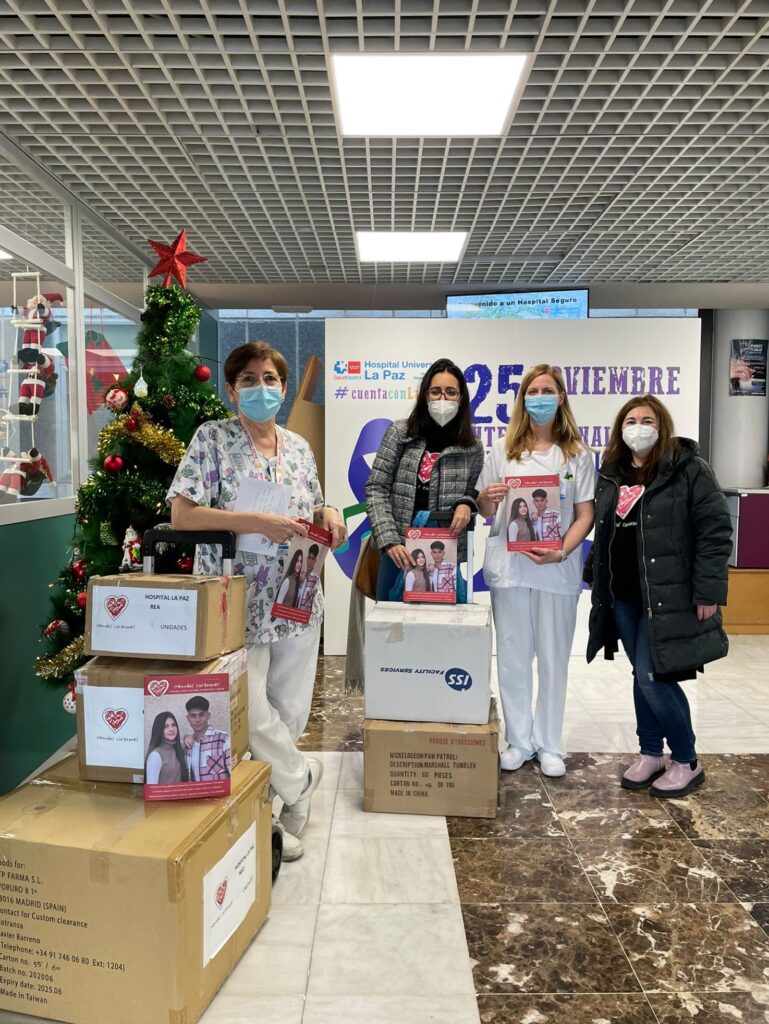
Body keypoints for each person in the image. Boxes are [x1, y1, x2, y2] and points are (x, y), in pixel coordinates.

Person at [168, 340, 347, 861]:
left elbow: (314, 502)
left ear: (284, 388)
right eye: (248, 380)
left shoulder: (297, 447)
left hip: (297, 592)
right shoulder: (212, 440)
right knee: (248, 708)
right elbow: (183, 516)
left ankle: (270, 810)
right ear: (231, 389)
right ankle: (301, 779)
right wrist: (254, 522)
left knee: (290, 712)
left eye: (270, 379)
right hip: (236, 599)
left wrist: (330, 512)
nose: (261, 388)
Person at [585, 395, 732, 798]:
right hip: (625, 595)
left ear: (661, 425)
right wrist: (594, 572)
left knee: (654, 676)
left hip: (670, 596)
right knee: (641, 675)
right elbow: (607, 531)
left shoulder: (688, 470)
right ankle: (651, 752)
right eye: (630, 420)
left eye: (646, 419)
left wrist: (709, 590)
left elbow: (715, 532)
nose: (638, 426)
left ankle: (687, 759)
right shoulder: (612, 473)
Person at [477, 363, 596, 778]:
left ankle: (549, 744)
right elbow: (486, 509)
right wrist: (487, 498)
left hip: (556, 570)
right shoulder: (503, 450)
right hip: (511, 569)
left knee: (552, 659)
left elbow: (585, 514)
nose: (539, 397)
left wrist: (562, 552)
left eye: (547, 390)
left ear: (561, 397)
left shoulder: (578, 455)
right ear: (523, 398)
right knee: (511, 657)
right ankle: (519, 741)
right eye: (532, 390)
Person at [365, 357, 484, 598]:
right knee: (392, 628)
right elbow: (377, 487)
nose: (443, 399)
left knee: (441, 630)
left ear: (461, 399)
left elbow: (474, 493)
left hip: (445, 553)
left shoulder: (472, 447)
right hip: (398, 552)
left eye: (451, 392)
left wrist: (466, 503)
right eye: (436, 391)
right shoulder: (400, 433)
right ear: (425, 396)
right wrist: (389, 541)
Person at [184, 695, 231, 782]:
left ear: (208, 716)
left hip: (220, 795)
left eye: (201, 715)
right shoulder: (187, 746)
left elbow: (235, 774)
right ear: (188, 718)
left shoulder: (223, 739)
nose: (197, 720)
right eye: (193, 716)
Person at [145, 712, 189, 785]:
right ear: (159, 730)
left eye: (173, 725)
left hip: (179, 795)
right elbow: (152, 790)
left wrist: (188, 736)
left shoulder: (178, 746)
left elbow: (190, 740)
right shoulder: (155, 756)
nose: (171, 729)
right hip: (163, 796)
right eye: (166, 726)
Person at [297, 544, 321, 613]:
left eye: (312, 559)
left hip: (304, 617)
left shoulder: (316, 580)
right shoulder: (301, 575)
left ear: (315, 560)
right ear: (307, 558)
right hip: (294, 615)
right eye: (309, 558)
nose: (310, 561)